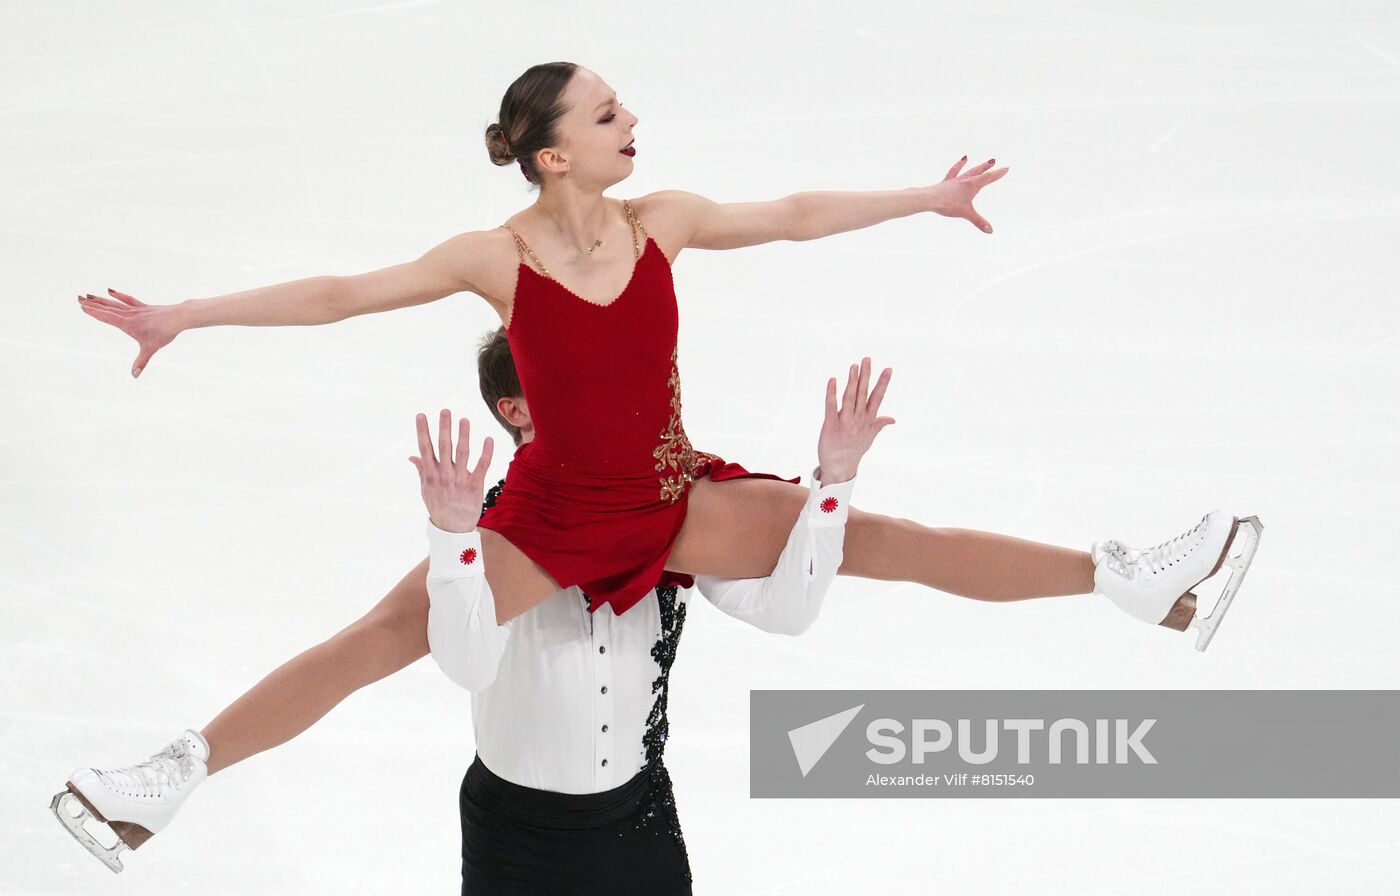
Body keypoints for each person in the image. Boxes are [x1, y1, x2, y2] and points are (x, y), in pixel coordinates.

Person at [65, 58, 1262, 873]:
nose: (629, 123)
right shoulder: (495, 256)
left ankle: (1135, 580)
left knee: (868, 536)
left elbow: (790, 211)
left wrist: (925, 197)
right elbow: (338, 295)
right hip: (553, 513)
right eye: (603, 116)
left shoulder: (661, 222)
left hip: (668, 490)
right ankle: (167, 777)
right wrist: (187, 313)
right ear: (549, 158)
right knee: (380, 638)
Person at [50, 330, 866, 890]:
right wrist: (452, 539)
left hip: (639, 821)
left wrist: (832, 484)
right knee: (366, 641)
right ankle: (173, 771)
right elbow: (466, 663)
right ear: (516, 408)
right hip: (519, 838)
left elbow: (786, 611)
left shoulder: (664, 512)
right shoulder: (496, 541)